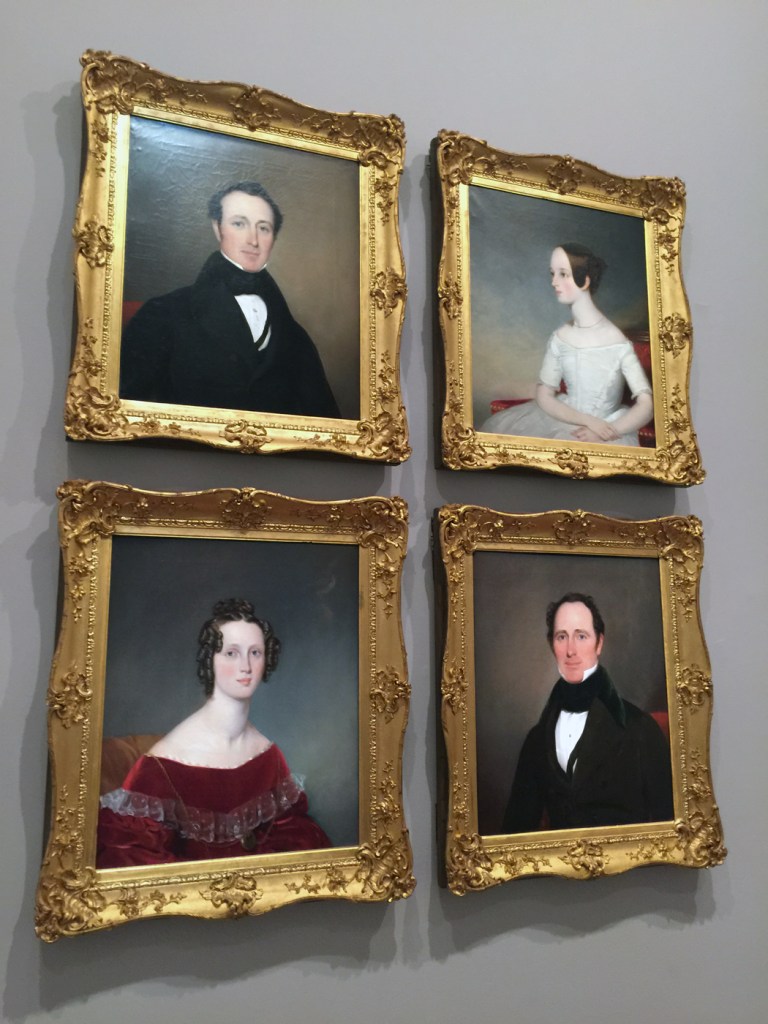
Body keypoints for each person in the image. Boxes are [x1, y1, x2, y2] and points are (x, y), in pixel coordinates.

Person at [97, 599, 331, 866]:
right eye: (232, 653)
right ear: (210, 660)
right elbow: (134, 858)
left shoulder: (268, 754)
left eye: (255, 652)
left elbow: (296, 838)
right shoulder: (162, 765)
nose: (246, 666)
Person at [119, 181, 341, 418]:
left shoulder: (295, 336)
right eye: (239, 224)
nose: (253, 240)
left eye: (264, 228)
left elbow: (326, 424)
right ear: (218, 228)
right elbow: (124, 411)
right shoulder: (164, 313)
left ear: (273, 238)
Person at [502, 592, 673, 834]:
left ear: (599, 643)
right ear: (552, 644)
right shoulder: (537, 739)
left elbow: (667, 826)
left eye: (581, 636)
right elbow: (515, 831)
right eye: (562, 637)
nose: (571, 650)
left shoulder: (640, 728)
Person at [481, 243, 653, 445]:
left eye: (563, 274)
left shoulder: (616, 340)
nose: (554, 282)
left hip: (608, 427)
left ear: (585, 280)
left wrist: (607, 430)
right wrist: (588, 421)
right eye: (553, 273)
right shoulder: (560, 336)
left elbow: (646, 404)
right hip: (565, 418)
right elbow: (544, 395)